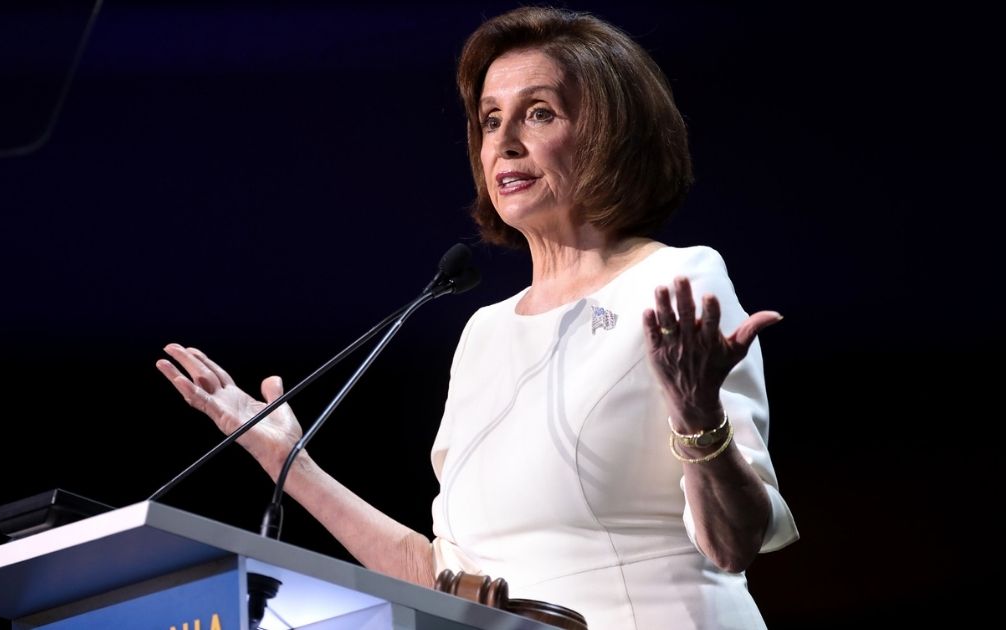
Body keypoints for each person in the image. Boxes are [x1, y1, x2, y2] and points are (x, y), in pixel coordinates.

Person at [156, 7, 798, 629]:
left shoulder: (673, 281)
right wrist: (286, 462)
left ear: (610, 134)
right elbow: (441, 576)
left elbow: (734, 543)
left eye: (539, 113)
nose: (505, 143)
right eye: (491, 120)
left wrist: (696, 415)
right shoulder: (485, 332)